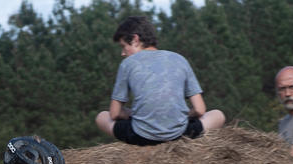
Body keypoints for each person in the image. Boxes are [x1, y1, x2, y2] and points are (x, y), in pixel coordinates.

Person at [95, 16, 225, 145]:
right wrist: (181, 116)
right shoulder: (180, 59)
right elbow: (200, 110)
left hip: (140, 137)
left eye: (123, 46)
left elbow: (114, 114)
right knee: (218, 115)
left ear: (135, 39)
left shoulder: (127, 64)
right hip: (181, 135)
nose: (123, 53)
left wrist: (133, 114)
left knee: (102, 116)